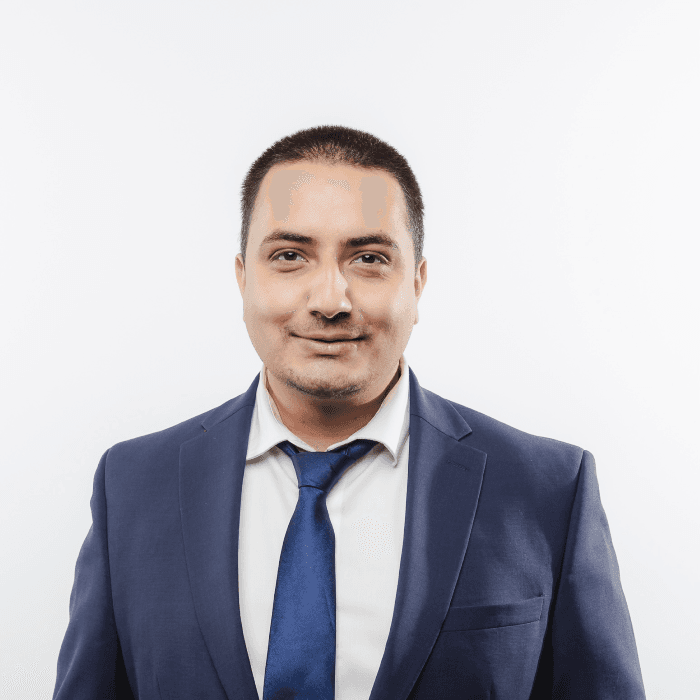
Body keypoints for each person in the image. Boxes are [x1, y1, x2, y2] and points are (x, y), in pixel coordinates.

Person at [53, 125, 646, 700]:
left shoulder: (548, 490)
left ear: (417, 284)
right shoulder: (133, 486)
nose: (330, 300)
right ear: (243, 279)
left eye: (368, 258)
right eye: (290, 255)